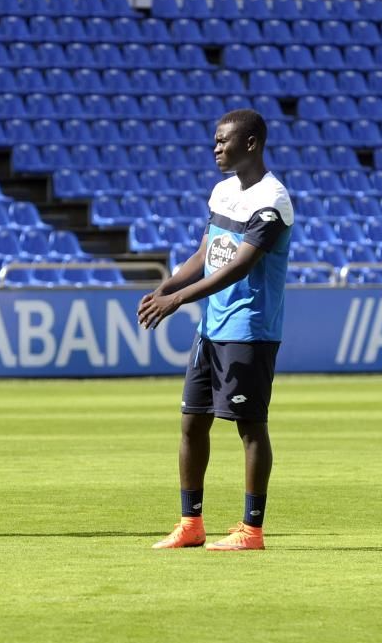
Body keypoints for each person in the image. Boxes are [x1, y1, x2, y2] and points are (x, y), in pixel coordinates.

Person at [139, 109, 293, 551]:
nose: (216, 149)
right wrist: (167, 285)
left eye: (223, 141)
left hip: (249, 327)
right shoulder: (224, 192)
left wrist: (178, 301)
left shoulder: (273, 199)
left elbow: (242, 265)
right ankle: (191, 523)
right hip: (212, 326)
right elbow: (207, 251)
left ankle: (252, 529)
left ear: (251, 144)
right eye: (214, 141)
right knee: (191, 422)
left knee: (250, 427)